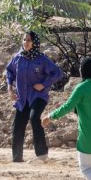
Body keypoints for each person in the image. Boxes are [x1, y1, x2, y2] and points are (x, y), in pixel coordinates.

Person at [6, 31, 64, 163]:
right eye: (24, 40)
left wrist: (43, 84)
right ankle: (17, 158)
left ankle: (42, 154)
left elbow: (57, 73)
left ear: (35, 43)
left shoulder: (42, 59)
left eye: (29, 40)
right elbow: (9, 72)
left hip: (38, 96)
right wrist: (10, 89)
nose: (26, 42)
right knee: (18, 125)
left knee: (34, 117)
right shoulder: (17, 57)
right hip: (22, 98)